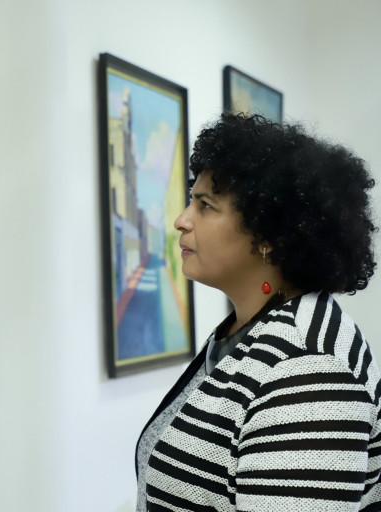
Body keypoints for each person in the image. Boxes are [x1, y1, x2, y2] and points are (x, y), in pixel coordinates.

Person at [136, 113, 380, 511]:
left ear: (267, 232)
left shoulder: (310, 368)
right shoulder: (248, 331)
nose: (182, 220)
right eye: (191, 201)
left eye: (205, 205)